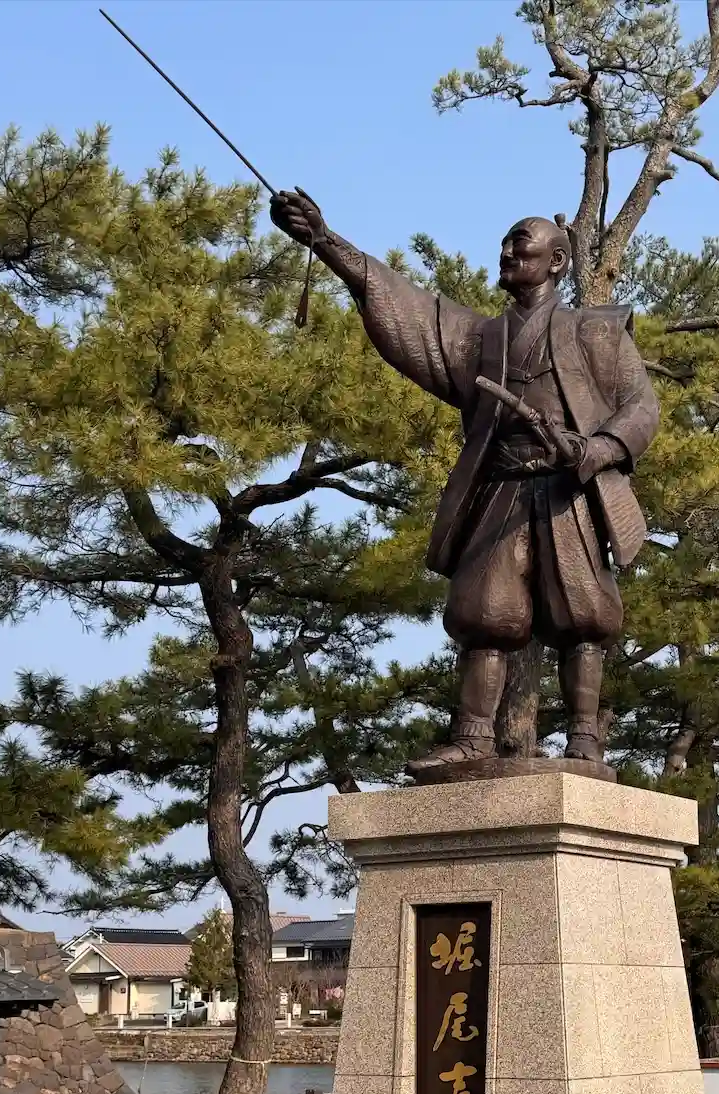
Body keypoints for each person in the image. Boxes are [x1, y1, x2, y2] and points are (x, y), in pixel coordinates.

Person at [270, 189, 660, 771]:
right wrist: (325, 242)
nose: (506, 252)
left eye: (520, 244)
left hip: (567, 490)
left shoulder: (597, 333)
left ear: (557, 260)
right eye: (503, 244)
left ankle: (586, 740)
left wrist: (594, 448)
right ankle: (473, 738)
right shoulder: (480, 338)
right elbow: (405, 304)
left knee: (583, 615)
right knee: (485, 613)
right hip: (501, 487)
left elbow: (641, 408)